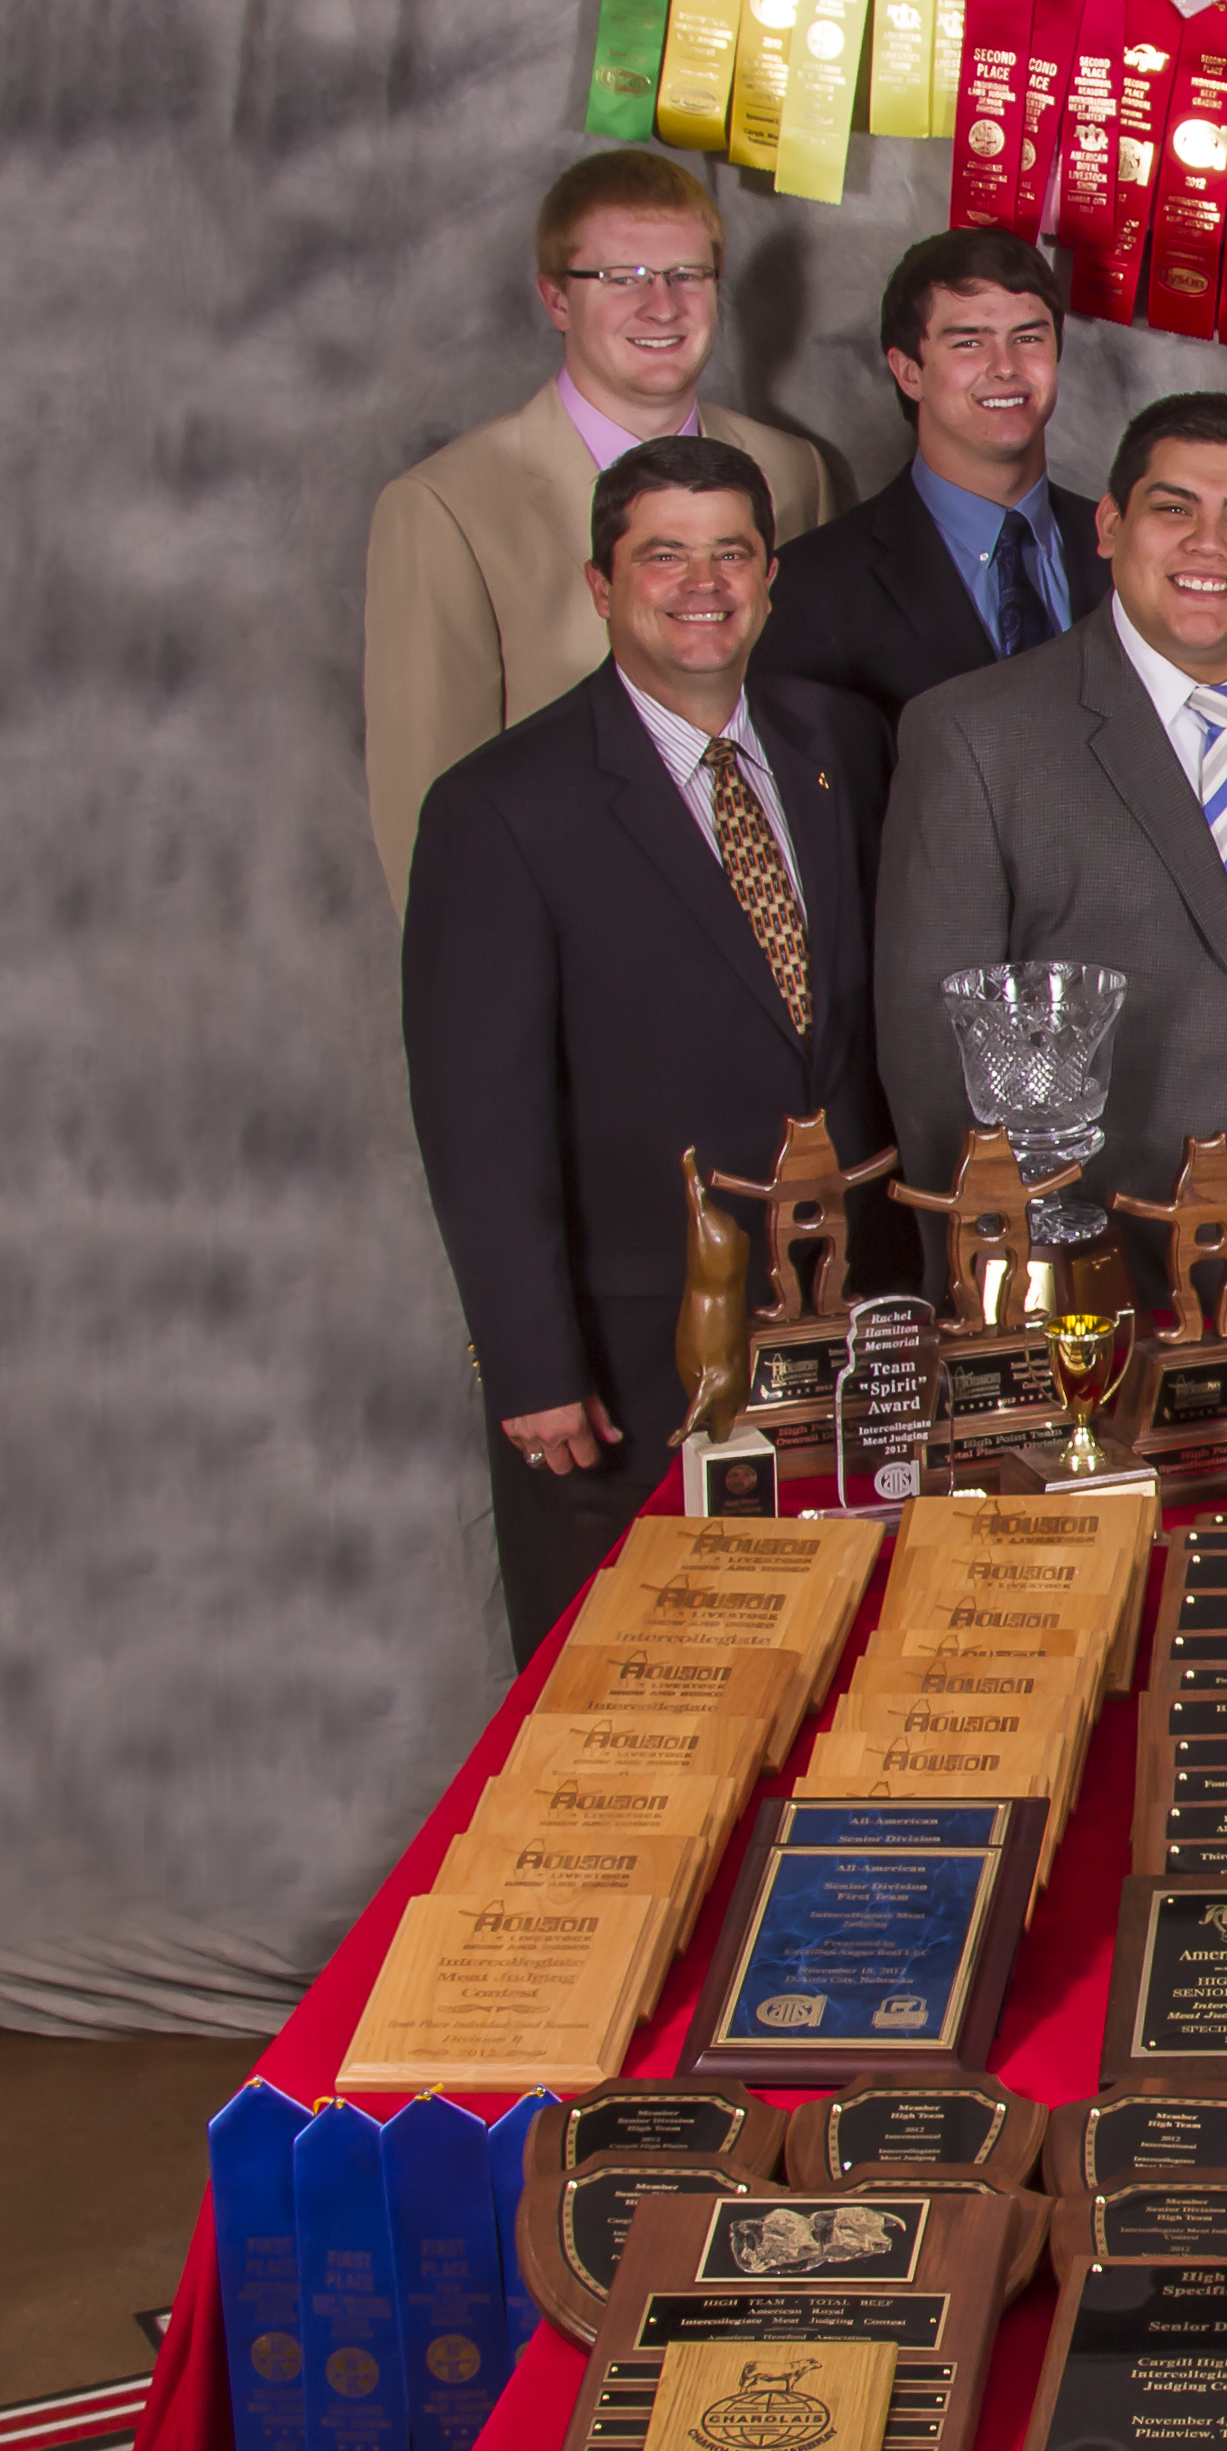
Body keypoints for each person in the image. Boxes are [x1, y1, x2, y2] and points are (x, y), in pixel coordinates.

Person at [400, 442, 897, 1662]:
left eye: (730, 552)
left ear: (770, 578)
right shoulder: (501, 805)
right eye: (662, 554)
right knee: (626, 1708)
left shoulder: (848, 746)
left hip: (846, 1334)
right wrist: (530, 1362)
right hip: (626, 1363)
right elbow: (478, 1115)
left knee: (842, 1676)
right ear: (599, 582)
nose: (702, 583)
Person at [876, 394, 1227, 1317]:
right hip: (1105, 1265)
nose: (1208, 546)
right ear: (1108, 526)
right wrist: (1004, 1290)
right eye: (1173, 509)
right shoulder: (973, 735)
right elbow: (935, 1052)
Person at [364, 149, 836, 913]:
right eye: (621, 278)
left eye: (688, 275)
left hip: (779, 943)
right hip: (583, 958)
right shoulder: (445, 507)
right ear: (555, 299)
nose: (662, 306)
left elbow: (809, 734)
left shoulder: (793, 472)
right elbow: (431, 814)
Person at [758, 229, 1112, 725]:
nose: (1006, 367)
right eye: (969, 342)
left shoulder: (1129, 553)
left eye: (1029, 337)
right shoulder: (814, 587)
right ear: (909, 373)